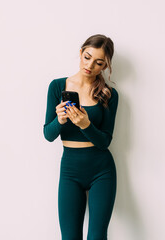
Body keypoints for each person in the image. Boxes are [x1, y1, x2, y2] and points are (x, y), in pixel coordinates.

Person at [43, 34, 118, 240]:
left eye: (98, 62)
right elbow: (48, 135)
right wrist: (59, 120)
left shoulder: (109, 94)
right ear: (80, 53)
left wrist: (86, 125)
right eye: (87, 57)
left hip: (101, 170)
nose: (90, 65)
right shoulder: (57, 86)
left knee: (96, 237)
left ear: (105, 66)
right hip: (70, 170)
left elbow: (104, 142)